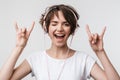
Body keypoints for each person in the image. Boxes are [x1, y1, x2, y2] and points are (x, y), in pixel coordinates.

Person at [0, 4, 120, 80]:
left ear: (72, 30)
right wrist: (19, 47)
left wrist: (100, 52)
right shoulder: (35, 59)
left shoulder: (83, 60)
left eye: (66, 24)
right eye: (54, 24)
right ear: (46, 27)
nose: (59, 29)